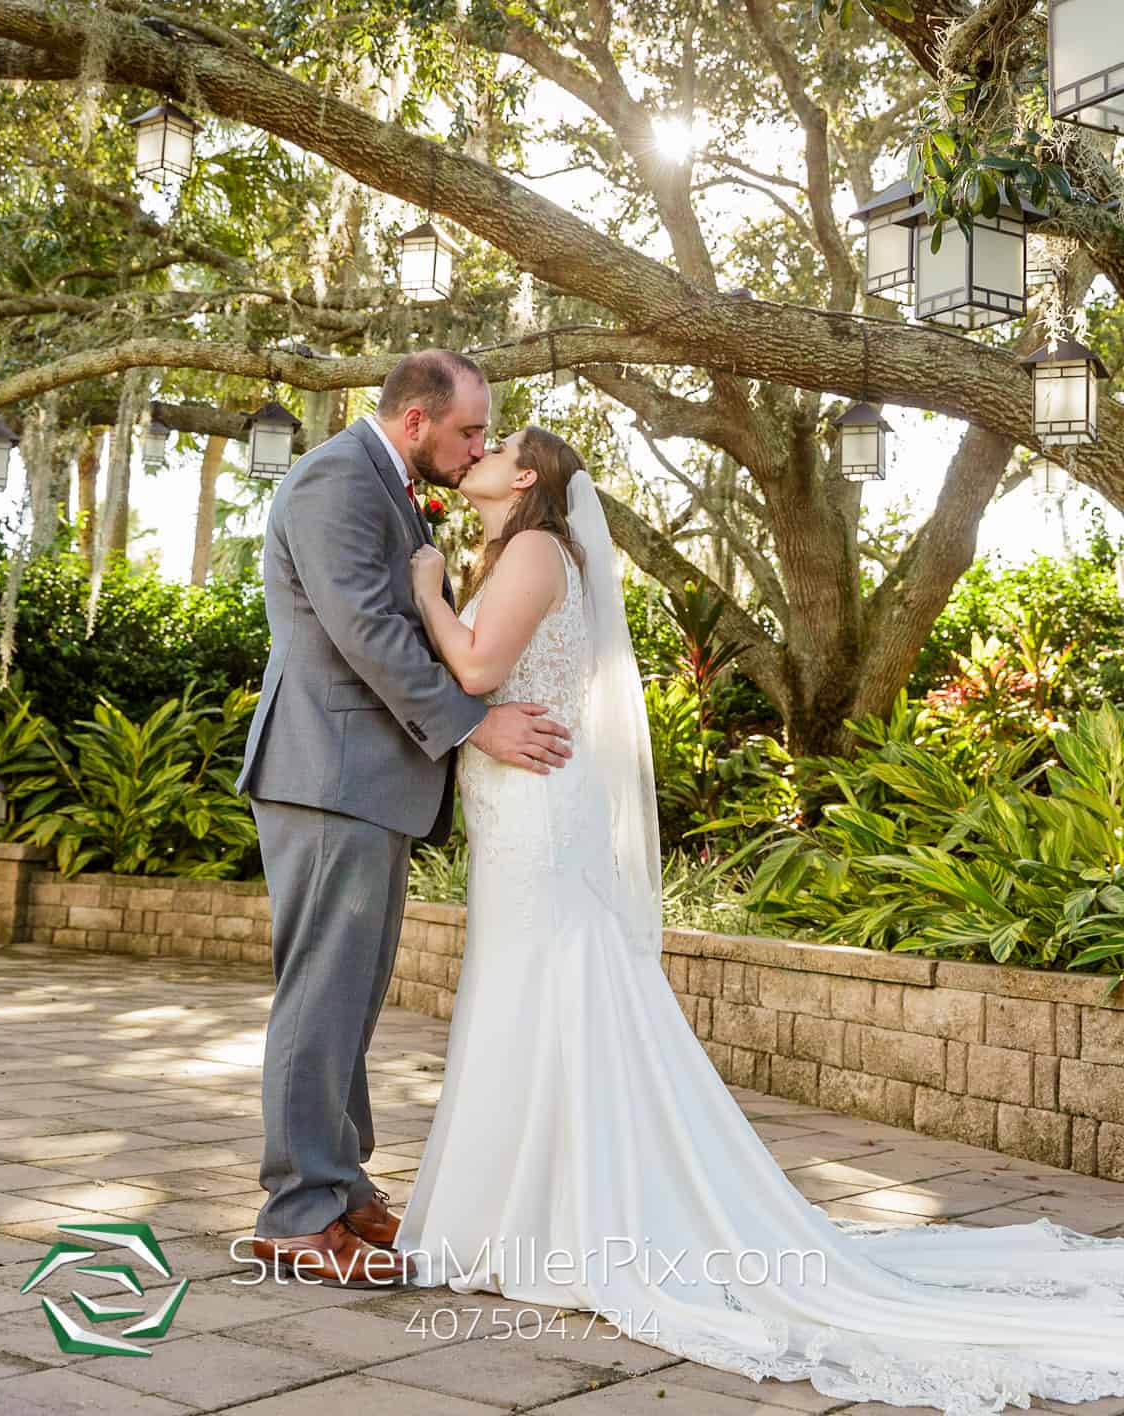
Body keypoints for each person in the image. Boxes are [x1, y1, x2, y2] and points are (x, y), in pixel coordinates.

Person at [399, 423, 1124, 1414]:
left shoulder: (532, 548)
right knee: (526, 994)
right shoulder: (520, 550)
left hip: (535, 815)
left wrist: (428, 594)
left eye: (495, 446)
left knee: (548, 991)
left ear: (525, 475)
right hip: (514, 807)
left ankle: (556, 1219)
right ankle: (529, 1211)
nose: (476, 452)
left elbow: (479, 672)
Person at [235, 353, 574, 1286]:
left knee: (350, 994)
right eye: (469, 431)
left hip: (366, 777)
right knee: (322, 992)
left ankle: (340, 1187)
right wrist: (475, 723)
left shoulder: (383, 483)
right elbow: (365, 630)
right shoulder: (337, 480)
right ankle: (296, 1214)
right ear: (416, 420)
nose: (476, 449)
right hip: (328, 771)